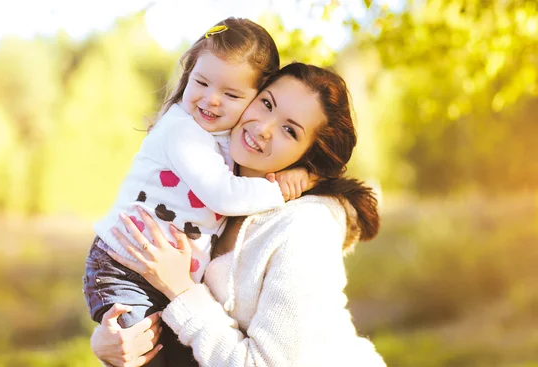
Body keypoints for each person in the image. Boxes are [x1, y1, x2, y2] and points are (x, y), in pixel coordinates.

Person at [91, 62, 387, 366]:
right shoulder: (214, 193)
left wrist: (180, 288)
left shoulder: (305, 229)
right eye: (266, 103)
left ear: (309, 154)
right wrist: (111, 340)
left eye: (289, 130)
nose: (263, 128)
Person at [83, 17, 314, 367]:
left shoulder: (223, 141)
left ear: (253, 98)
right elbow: (223, 194)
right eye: (201, 82)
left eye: (231, 94)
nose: (212, 100)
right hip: (124, 263)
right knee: (141, 353)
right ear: (188, 74)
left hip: (160, 276)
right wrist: (278, 190)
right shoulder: (183, 131)